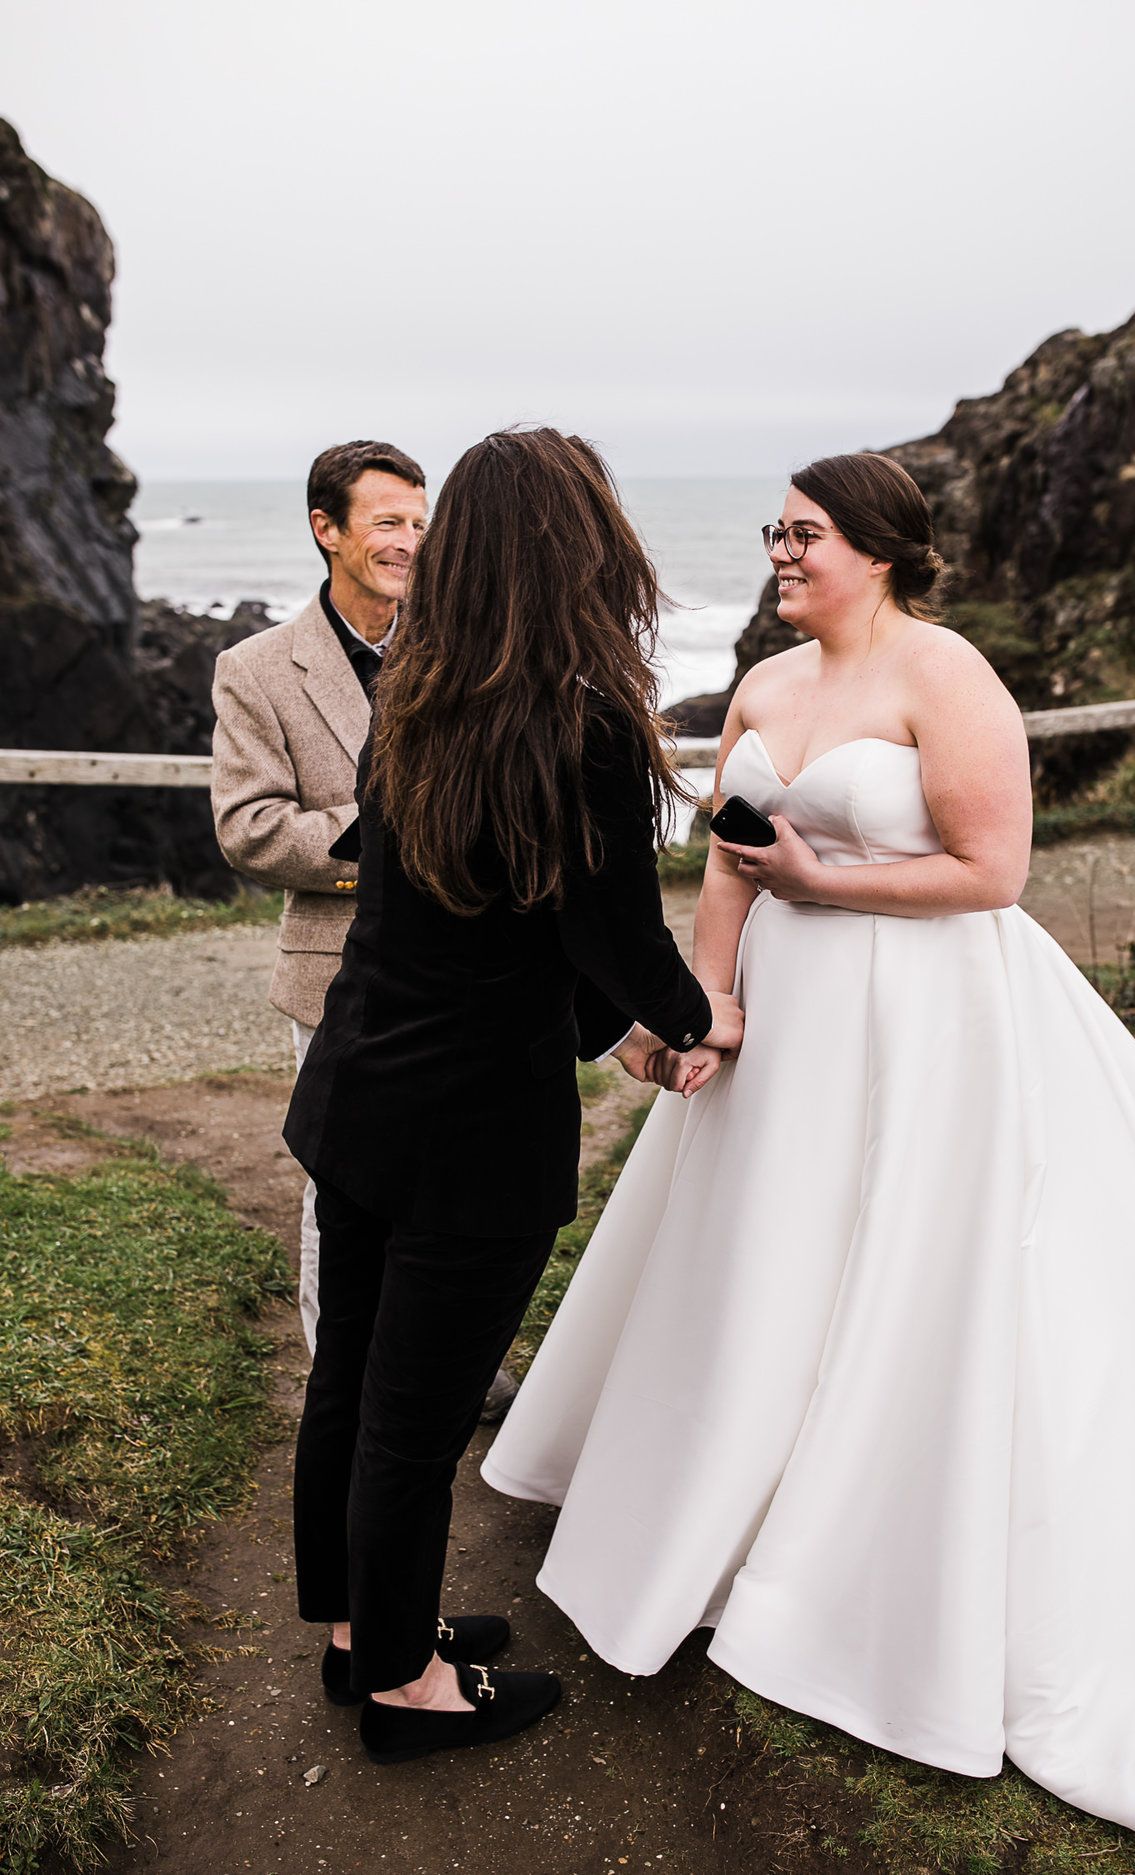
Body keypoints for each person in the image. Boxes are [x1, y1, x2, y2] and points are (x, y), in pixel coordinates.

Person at [480, 454, 1135, 1855]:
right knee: (756, 1266)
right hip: (788, 1022)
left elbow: (993, 871)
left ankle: (848, 1541)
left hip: (928, 1018)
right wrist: (710, 1003)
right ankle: (713, 1501)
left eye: (804, 532)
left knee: (903, 1262)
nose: (780, 550)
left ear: (880, 550)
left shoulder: (946, 676)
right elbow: (721, 859)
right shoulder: (766, 687)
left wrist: (829, 883)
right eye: (774, 532)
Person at [284, 426, 735, 1765]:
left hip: (361, 1087)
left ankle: (366, 1631)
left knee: (354, 1386)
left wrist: (626, 1036)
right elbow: (613, 936)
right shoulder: (578, 720)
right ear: (576, 547)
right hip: (471, 1132)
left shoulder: (414, 687)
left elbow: (514, 921)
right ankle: (407, 1691)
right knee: (412, 1419)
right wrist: (701, 1018)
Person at [210, 443, 423, 1356]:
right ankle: (343, 1373)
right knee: (341, 1179)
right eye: (388, 523)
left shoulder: (464, 647)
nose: (409, 542)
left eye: (420, 523)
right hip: (333, 970)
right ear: (325, 529)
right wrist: (391, 837)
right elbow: (250, 828)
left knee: (444, 1182)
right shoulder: (255, 668)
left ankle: (442, 1363)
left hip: (464, 967)